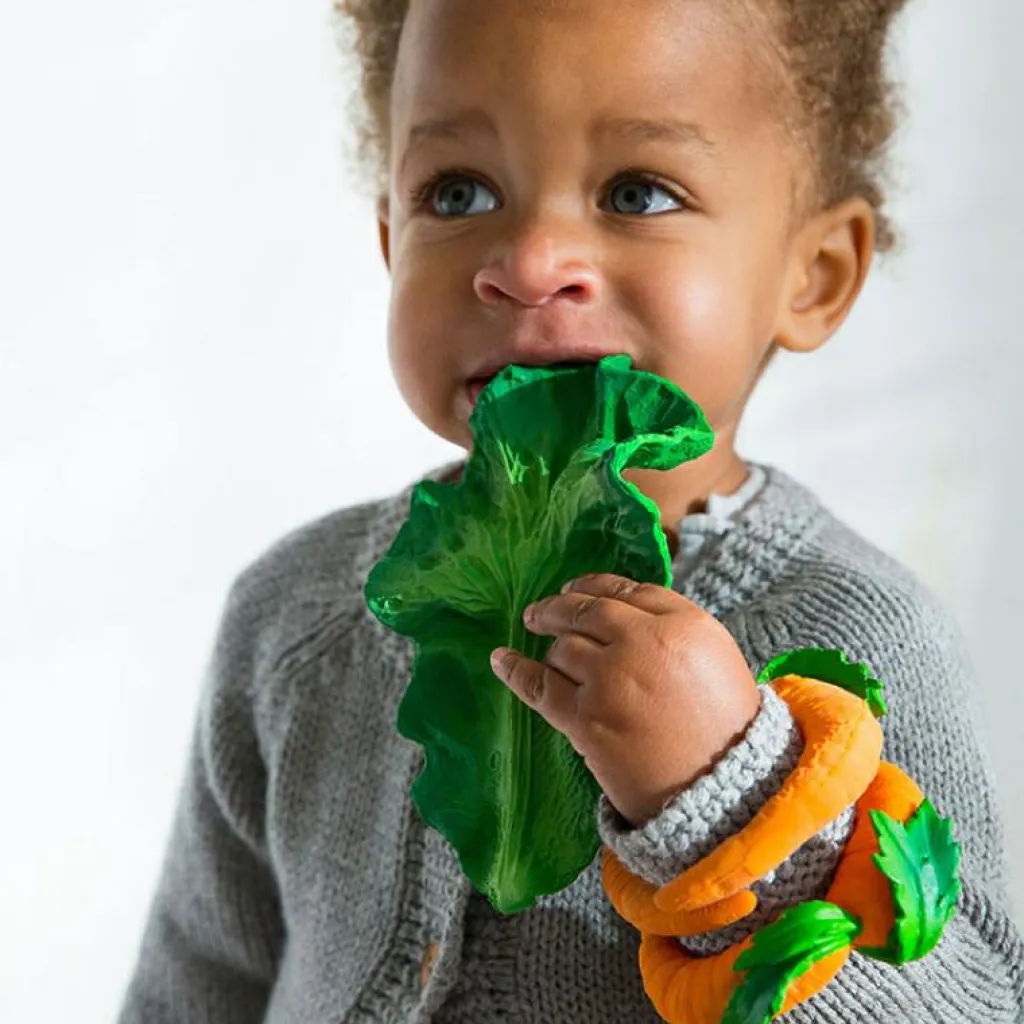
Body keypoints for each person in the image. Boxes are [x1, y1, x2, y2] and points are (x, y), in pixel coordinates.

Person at [117, 0, 1024, 1021]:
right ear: (388, 239)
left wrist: (727, 790)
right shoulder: (296, 614)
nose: (529, 261)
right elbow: (194, 982)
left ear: (811, 275)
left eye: (638, 192)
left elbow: (968, 1005)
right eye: (457, 193)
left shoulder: (856, 637)